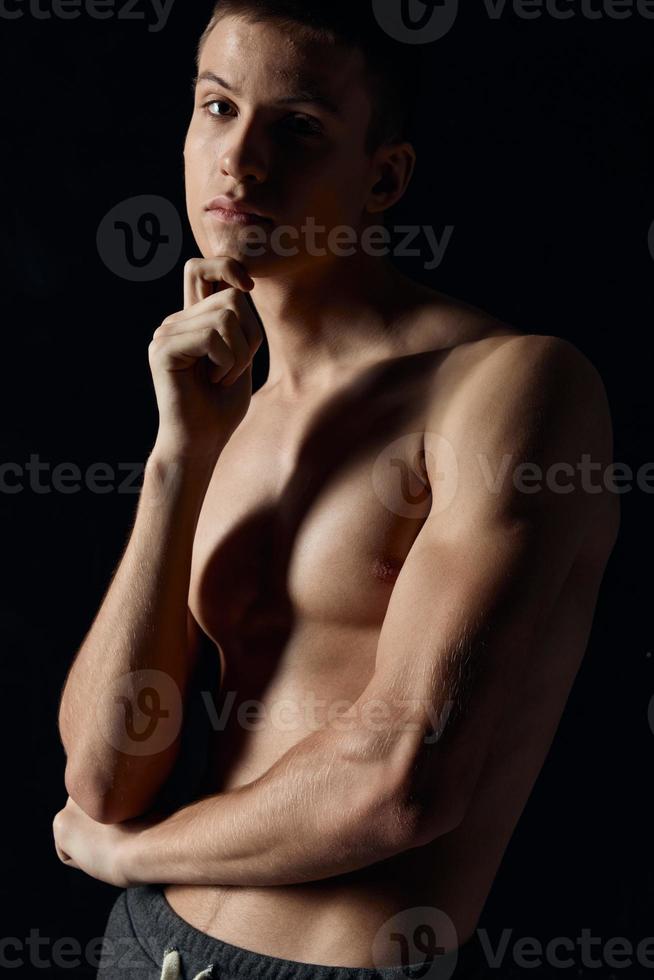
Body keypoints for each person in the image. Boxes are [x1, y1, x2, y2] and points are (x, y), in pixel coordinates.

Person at [53, 2, 620, 979]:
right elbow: (103, 777)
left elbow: (403, 781)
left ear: (385, 175)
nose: (240, 162)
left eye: (298, 128)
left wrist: (130, 855)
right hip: (142, 948)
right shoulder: (229, 403)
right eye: (218, 108)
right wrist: (178, 454)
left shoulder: (509, 386)